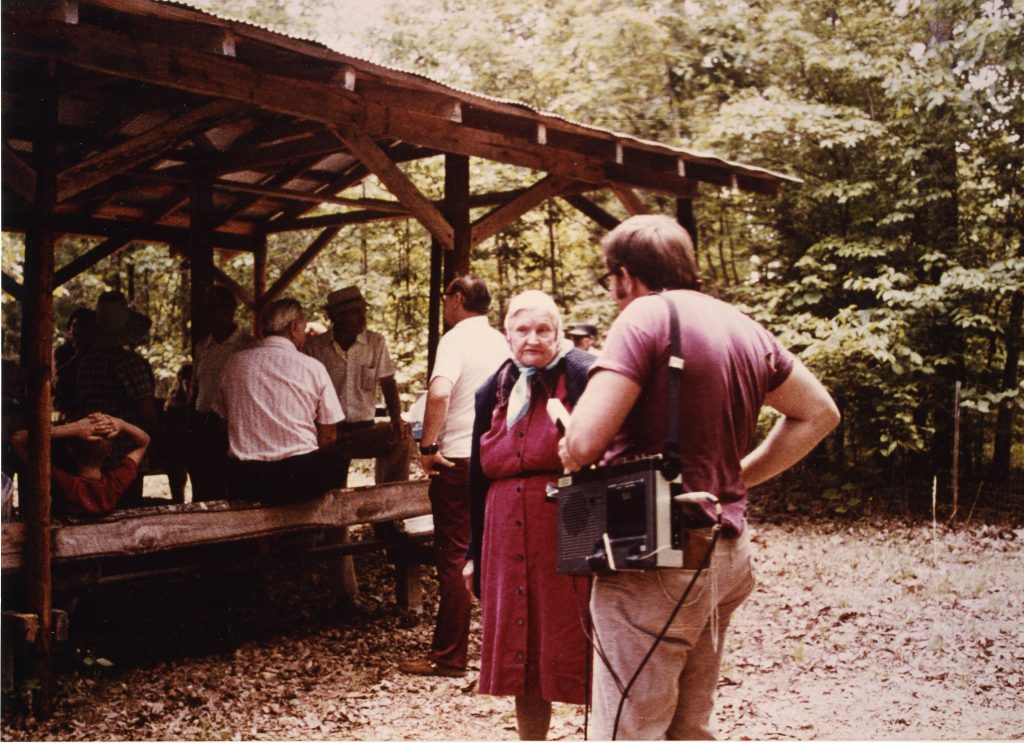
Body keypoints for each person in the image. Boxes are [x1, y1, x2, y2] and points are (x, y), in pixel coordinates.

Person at [558, 215, 840, 740]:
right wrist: (740, 478)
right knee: (691, 726)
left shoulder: (644, 316)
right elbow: (819, 412)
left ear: (624, 275)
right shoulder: (741, 324)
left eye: (610, 280)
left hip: (654, 556)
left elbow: (584, 444)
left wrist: (569, 440)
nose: (613, 293)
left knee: (628, 728)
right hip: (725, 554)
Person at [467, 290, 596, 740]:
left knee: (583, 636)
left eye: (544, 329)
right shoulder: (494, 389)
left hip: (572, 521)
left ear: (558, 333)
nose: (533, 339)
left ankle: (599, 733)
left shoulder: (582, 371)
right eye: (522, 329)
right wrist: (472, 554)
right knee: (524, 648)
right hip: (504, 531)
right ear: (507, 335)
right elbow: (474, 477)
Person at [399, 275, 508, 678]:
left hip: (457, 457)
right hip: (493, 458)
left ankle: (449, 655)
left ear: (458, 299)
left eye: (446, 297)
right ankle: (498, 651)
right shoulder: (501, 341)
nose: (444, 305)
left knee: (454, 555)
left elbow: (440, 392)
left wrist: (427, 447)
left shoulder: (455, 339)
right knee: (491, 554)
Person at [213, 298, 345, 504]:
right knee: (340, 452)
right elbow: (328, 437)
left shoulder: (233, 364)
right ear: (293, 327)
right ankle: (324, 528)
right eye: (302, 327)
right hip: (298, 481)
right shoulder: (312, 367)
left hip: (245, 479)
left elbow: (224, 421)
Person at [305, 286, 411, 487]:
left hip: (364, 430)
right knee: (329, 491)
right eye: (356, 312)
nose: (363, 317)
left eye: (364, 311)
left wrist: (397, 419)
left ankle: (389, 508)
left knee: (400, 438)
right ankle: (329, 509)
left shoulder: (375, 343)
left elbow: (388, 382)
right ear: (337, 317)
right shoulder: (315, 348)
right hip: (328, 432)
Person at [75, 290, 158, 507]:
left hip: (91, 455)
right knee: (128, 514)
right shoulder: (131, 363)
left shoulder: (85, 363)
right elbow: (147, 411)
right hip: (126, 456)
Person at [187, 285, 258, 501]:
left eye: (219, 308)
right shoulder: (202, 347)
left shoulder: (249, 346)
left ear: (231, 310)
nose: (214, 315)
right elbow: (196, 386)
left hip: (234, 423)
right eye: (208, 309)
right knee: (203, 484)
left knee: (233, 484)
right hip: (204, 422)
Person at [12, 413, 150, 518]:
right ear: (109, 452)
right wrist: (121, 424)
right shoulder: (114, 485)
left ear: (70, 450)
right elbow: (145, 441)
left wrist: (72, 428)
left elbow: (18, 440)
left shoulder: (65, 484)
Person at [53, 306, 95, 420]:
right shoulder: (62, 351)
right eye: (74, 326)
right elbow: (60, 375)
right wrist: (79, 354)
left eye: (81, 327)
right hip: (66, 406)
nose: (75, 331)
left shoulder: (96, 351)